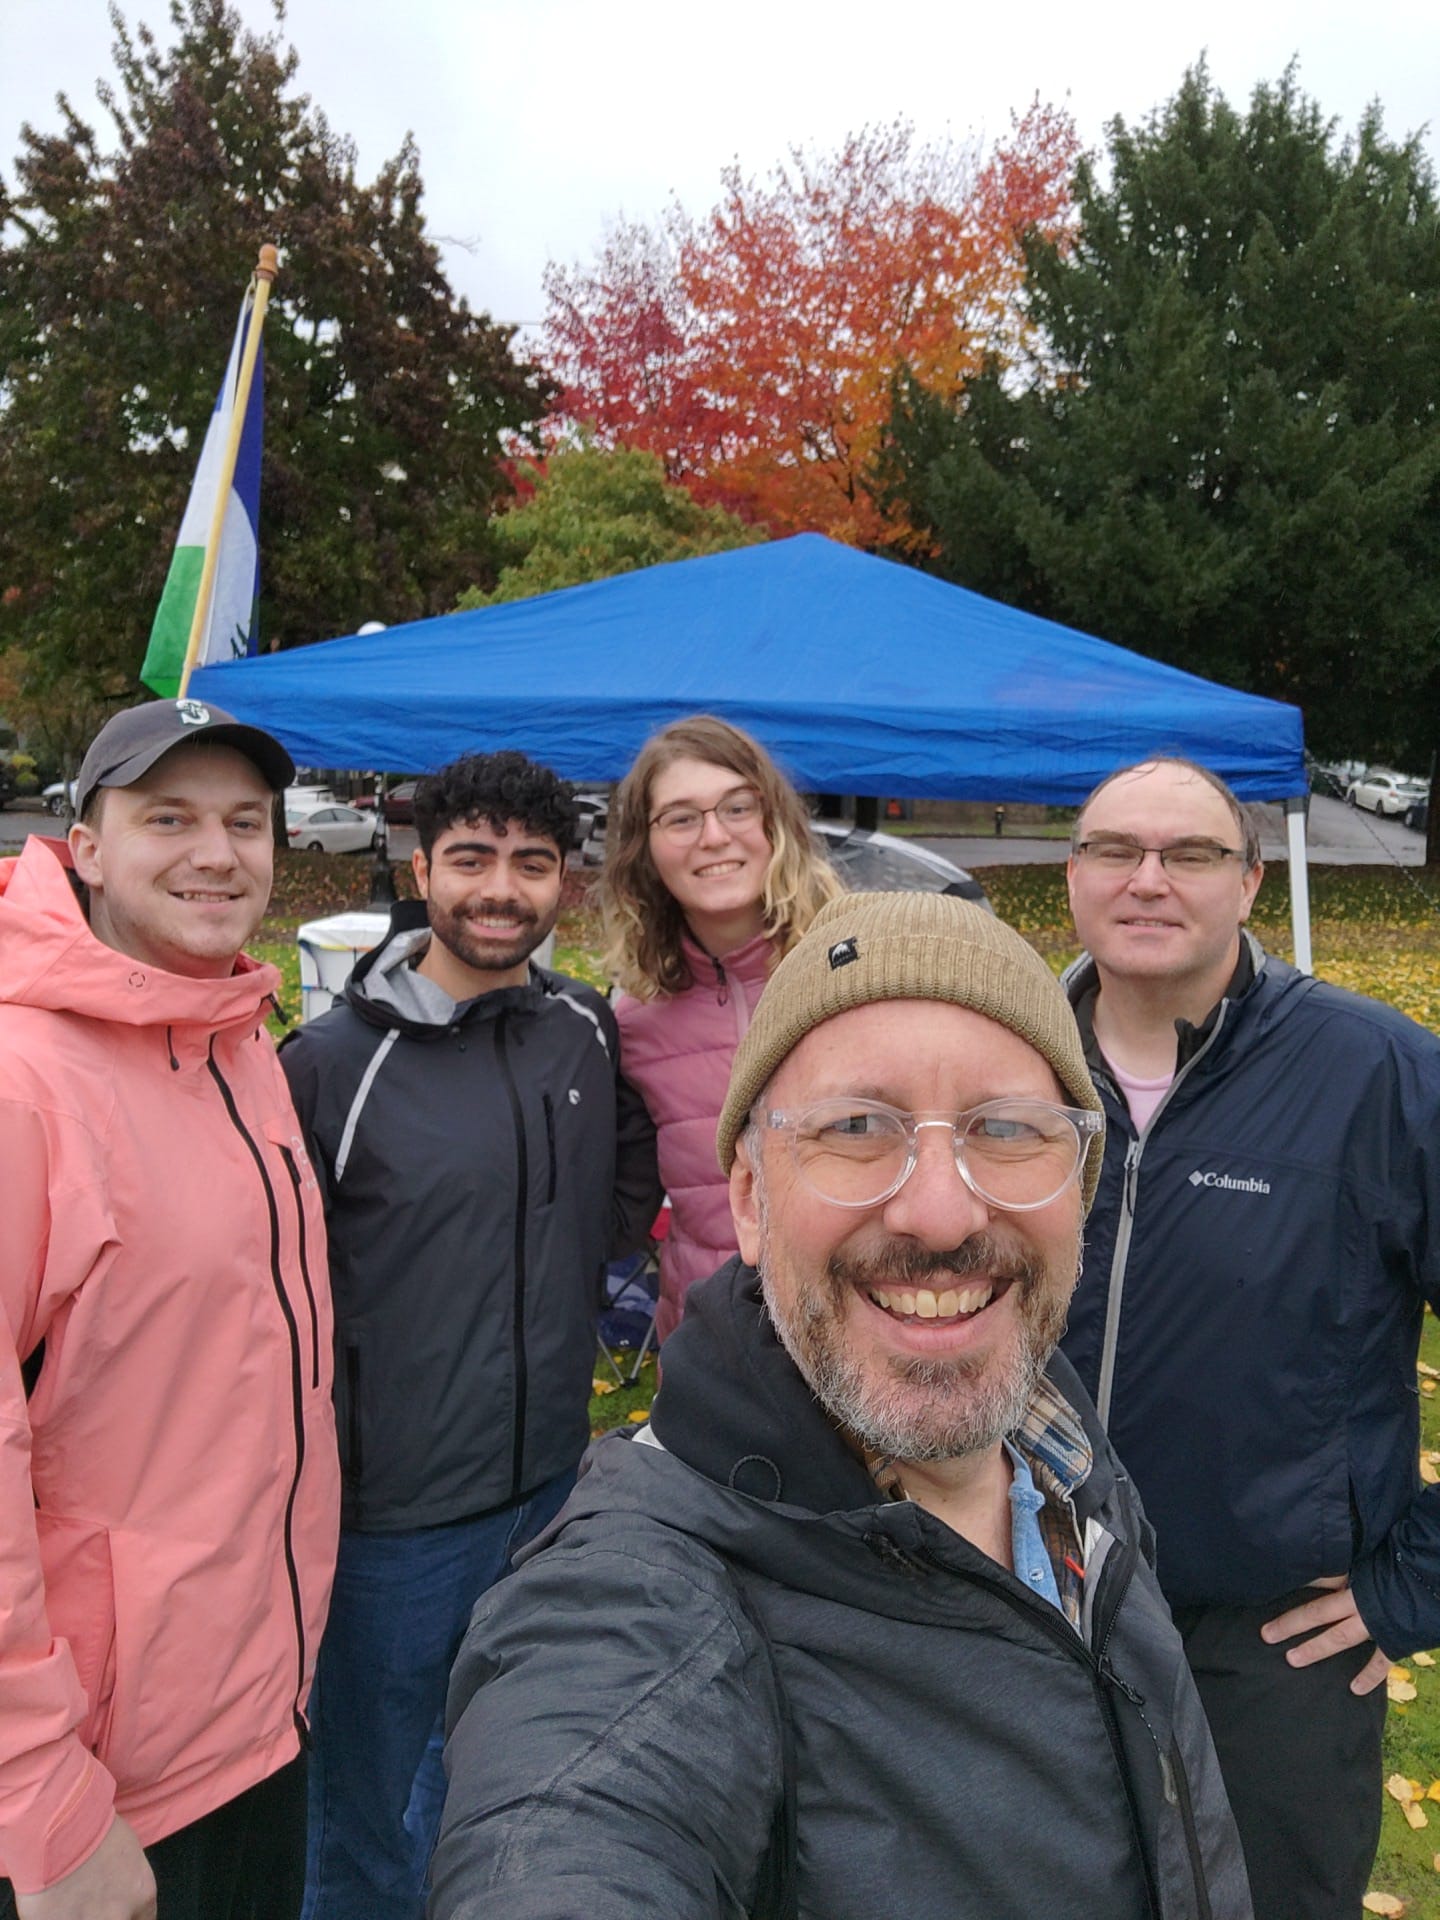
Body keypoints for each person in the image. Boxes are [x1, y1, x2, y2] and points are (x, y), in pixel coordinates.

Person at [430, 891, 1252, 1920]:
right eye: (857, 1128)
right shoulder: (644, 1603)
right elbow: (572, 1832)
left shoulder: (1055, 1442)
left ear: (1075, 1186)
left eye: (1008, 1129)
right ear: (748, 1199)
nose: (943, 1211)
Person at [279, 749, 661, 1920]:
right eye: (473, 858)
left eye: (532, 864)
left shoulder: (584, 1031)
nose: (502, 888)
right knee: (374, 1818)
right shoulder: (328, 1067)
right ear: (420, 868)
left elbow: (625, 1197)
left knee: (505, 1778)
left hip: (551, 1495)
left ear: (567, 885)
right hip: (391, 1528)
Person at [1059, 755, 1440, 1919]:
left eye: (1192, 855)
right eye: (1115, 850)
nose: (1149, 880)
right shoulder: (1005, 1057)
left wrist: (1417, 1584)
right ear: (1075, 876)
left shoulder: (1376, 1072)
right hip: (1029, 1602)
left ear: (1252, 880)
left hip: (1274, 1643)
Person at [0, 698, 339, 1920]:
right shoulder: (24, 1084)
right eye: (170, 819)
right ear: (85, 847)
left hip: (254, 1718)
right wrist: (38, 1799)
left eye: (245, 822)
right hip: (101, 1789)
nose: (217, 852)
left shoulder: (232, 1035)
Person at [600, 715, 840, 1343]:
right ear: (644, 846)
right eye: (680, 818)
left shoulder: (855, 973)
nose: (713, 836)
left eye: (737, 807)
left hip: (854, 1341)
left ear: (774, 821)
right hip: (708, 1347)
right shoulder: (636, 1021)